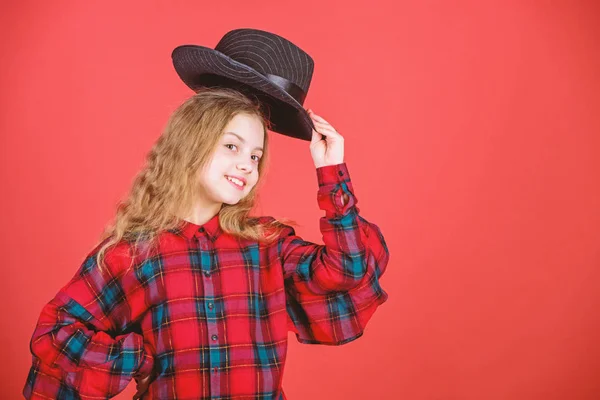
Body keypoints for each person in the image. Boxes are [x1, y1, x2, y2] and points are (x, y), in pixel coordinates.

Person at [23, 29, 389, 400]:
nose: (246, 165)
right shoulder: (135, 254)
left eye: (255, 156)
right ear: (190, 144)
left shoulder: (267, 245)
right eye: (232, 146)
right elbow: (56, 334)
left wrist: (331, 170)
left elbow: (349, 270)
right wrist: (136, 358)